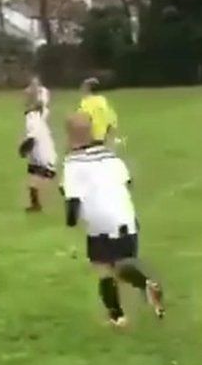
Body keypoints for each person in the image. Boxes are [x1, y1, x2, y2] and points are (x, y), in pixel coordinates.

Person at [61, 113, 164, 327]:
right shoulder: (111, 157)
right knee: (120, 263)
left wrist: (72, 223)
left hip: (101, 223)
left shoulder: (73, 164)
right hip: (127, 217)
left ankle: (117, 316)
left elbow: (73, 203)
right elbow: (128, 182)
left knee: (104, 269)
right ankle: (146, 284)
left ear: (70, 135)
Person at [19, 100, 57, 212]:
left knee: (36, 181)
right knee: (34, 180)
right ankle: (36, 205)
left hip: (43, 156)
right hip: (38, 156)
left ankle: (36, 205)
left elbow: (32, 137)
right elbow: (45, 109)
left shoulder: (31, 118)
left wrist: (23, 150)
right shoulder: (38, 116)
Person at [77, 77, 119, 146]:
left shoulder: (86, 102)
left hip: (89, 139)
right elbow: (112, 120)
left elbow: (81, 120)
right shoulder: (103, 101)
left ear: (88, 88)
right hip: (102, 139)